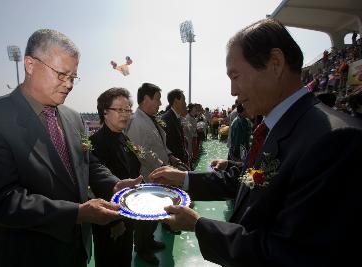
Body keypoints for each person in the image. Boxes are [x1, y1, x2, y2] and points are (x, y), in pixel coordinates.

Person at [148, 19, 362, 267]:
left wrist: (199, 225)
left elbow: (289, 253)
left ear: (275, 63)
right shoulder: (282, 126)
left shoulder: (336, 141)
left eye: (235, 75)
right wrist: (183, 178)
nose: (232, 91)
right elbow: (250, 179)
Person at [0, 29, 141, 267]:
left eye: (73, 77)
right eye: (61, 74)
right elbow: (0, 200)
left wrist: (112, 183)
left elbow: (87, 161)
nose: (68, 85)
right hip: (31, 255)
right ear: (30, 64)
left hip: (78, 252)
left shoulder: (73, 117)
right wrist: (76, 213)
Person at [89, 88, 140, 267]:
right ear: (104, 111)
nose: (125, 114)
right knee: (110, 259)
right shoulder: (96, 143)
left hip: (127, 212)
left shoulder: (123, 138)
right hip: (109, 219)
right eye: (119, 110)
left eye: (128, 109)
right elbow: (98, 185)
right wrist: (115, 221)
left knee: (125, 257)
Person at [125, 82, 173, 265]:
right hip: (147, 176)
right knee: (145, 215)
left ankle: (149, 240)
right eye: (157, 99)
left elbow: (160, 144)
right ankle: (141, 247)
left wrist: (170, 156)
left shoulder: (151, 118)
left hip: (158, 175)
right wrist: (163, 166)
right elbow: (141, 151)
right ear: (145, 99)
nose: (160, 104)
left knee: (154, 212)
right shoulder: (137, 121)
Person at [161, 89, 189, 165]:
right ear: (176, 101)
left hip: (181, 162)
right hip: (174, 165)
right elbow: (163, 144)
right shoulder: (166, 119)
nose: (185, 103)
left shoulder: (176, 117)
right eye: (183, 100)